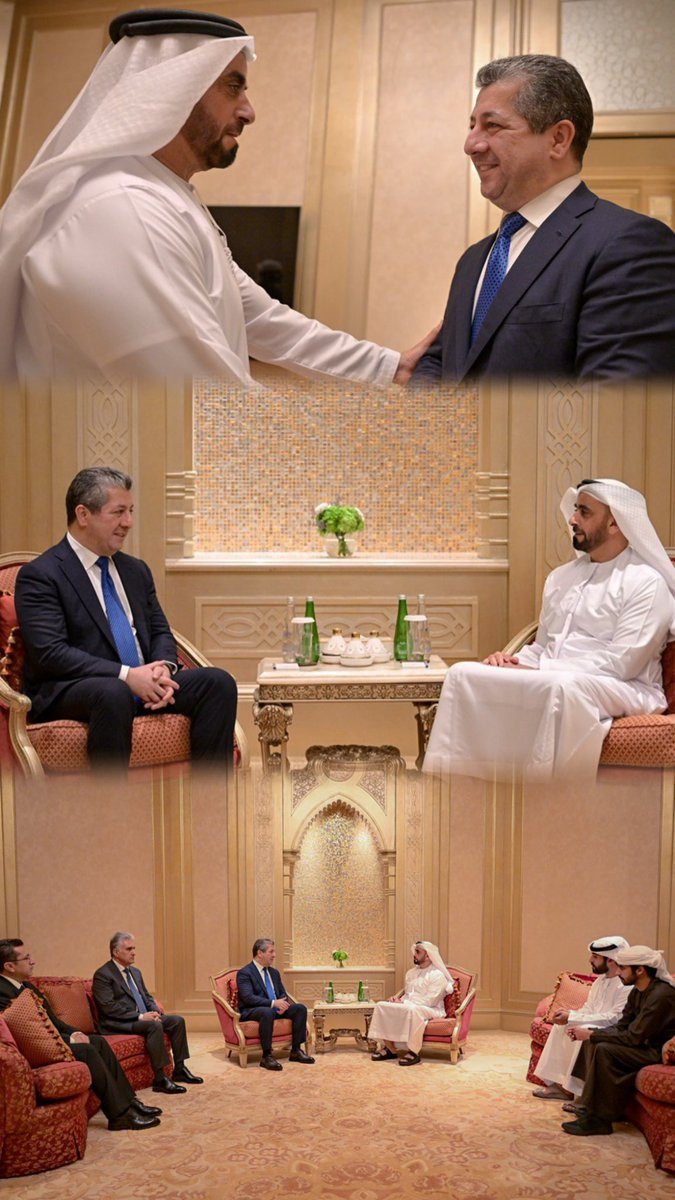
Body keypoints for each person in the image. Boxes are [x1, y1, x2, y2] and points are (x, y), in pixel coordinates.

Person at [0, 7, 435, 384]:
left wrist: (390, 367)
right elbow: (205, 403)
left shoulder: (164, 195)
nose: (249, 111)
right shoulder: (120, 208)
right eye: (233, 86)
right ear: (174, 88)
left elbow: (258, 317)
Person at [412, 55, 675, 383]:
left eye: (492, 126)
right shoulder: (472, 261)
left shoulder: (629, 245)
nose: (471, 144)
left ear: (558, 139)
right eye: (472, 126)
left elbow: (616, 404)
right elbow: (438, 363)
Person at [424, 479, 675, 783]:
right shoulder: (561, 577)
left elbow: (623, 664)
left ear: (614, 523)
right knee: (463, 673)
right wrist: (512, 661)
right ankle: (462, 789)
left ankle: (544, 799)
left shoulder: (646, 582)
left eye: (584, 512)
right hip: (555, 677)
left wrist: (538, 670)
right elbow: (543, 646)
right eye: (575, 510)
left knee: (561, 687)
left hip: (625, 686)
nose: (573, 519)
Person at [14, 467, 237, 770]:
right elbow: (51, 653)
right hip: (76, 688)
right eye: (118, 512)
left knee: (218, 683)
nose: (128, 522)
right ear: (83, 514)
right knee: (113, 691)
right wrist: (127, 676)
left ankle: (209, 797)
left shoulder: (135, 570)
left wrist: (162, 670)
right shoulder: (42, 575)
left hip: (140, 681)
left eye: (130, 511)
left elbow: (160, 631)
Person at [0, 938, 162, 1131]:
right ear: (9, 966)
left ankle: (130, 1102)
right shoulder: (2, 992)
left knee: (98, 1042)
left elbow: (53, 1021)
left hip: (52, 1039)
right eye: (27, 958)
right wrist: (70, 1039)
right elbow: (27, 1032)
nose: (32, 961)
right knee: (86, 1050)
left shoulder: (27, 987)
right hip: (33, 1049)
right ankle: (119, 1115)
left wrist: (75, 1032)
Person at [562, 945, 675, 1137]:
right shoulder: (637, 990)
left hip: (655, 1051)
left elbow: (634, 1036)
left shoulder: (661, 995)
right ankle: (589, 1107)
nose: (618, 972)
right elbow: (623, 1026)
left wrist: (592, 1034)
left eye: (622, 968)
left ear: (640, 970)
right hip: (640, 1044)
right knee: (593, 1040)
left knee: (604, 1048)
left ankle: (599, 1121)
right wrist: (591, 1033)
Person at [92, 932, 202, 1095]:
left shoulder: (135, 972)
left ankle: (179, 1069)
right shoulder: (103, 974)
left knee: (177, 1021)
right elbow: (108, 1007)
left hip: (143, 1017)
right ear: (116, 952)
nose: (134, 953)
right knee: (153, 1026)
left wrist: (154, 1011)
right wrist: (141, 1017)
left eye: (134, 948)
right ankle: (160, 1078)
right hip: (119, 1022)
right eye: (129, 949)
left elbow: (146, 996)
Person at [532, 936, 630, 1102]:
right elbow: (588, 1009)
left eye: (595, 957)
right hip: (596, 1022)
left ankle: (580, 1093)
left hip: (613, 1029)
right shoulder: (600, 981)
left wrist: (573, 1017)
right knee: (562, 1026)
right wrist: (569, 1016)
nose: (590, 960)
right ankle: (559, 1086)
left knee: (581, 1031)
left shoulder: (626, 985)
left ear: (611, 960)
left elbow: (614, 1018)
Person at [368, 941, 454, 1066]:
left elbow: (430, 1001)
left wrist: (404, 1002)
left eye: (418, 952)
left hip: (431, 1008)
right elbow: (408, 994)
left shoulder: (437, 975)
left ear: (428, 955)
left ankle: (413, 1051)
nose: (414, 954)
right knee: (381, 1005)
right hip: (410, 1005)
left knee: (413, 1010)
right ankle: (390, 1048)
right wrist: (397, 1000)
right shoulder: (411, 973)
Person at [236, 938, 314, 1071]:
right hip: (254, 1010)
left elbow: (282, 994)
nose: (274, 955)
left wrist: (282, 1005)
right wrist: (273, 1004)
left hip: (275, 1010)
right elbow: (248, 998)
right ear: (260, 953)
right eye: (271, 952)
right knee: (267, 1012)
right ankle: (266, 1056)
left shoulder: (274, 973)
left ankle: (296, 1051)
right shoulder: (245, 973)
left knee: (300, 1008)